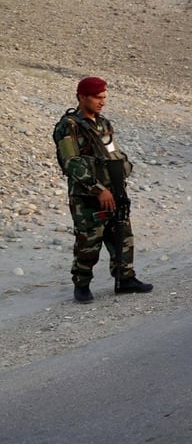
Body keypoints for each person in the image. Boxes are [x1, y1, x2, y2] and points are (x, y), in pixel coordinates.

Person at [52, 77, 153, 303]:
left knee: (121, 234)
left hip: (113, 190)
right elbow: (71, 162)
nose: (102, 102)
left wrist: (124, 170)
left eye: (104, 97)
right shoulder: (69, 126)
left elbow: (114, 153)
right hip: (87, 196)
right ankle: (82, 285)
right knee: (88, 241)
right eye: (98, 97)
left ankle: (125, 278)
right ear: (82, 97)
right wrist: (98, 189)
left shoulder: (103, 124)